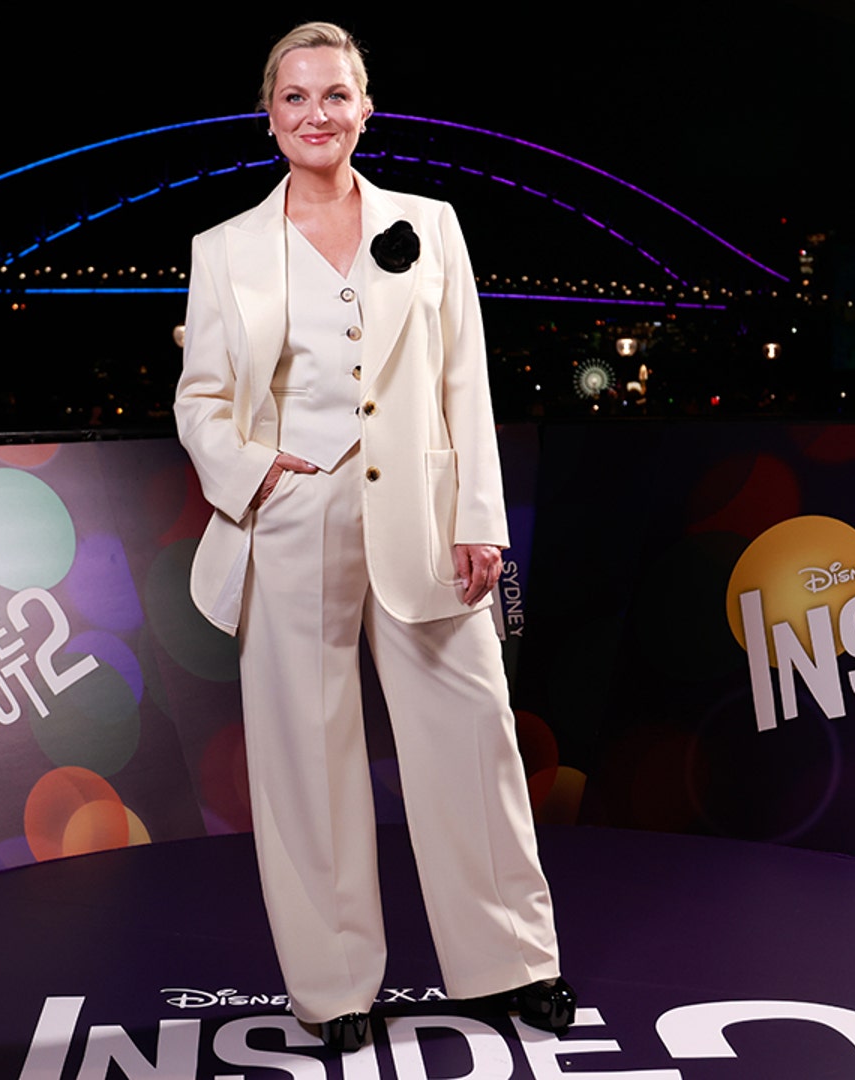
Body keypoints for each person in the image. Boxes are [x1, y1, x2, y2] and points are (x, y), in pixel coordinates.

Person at [173, 21, 571, 1052]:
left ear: (366, 109)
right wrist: (257, 472)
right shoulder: (222, 252)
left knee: (472, 741)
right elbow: (202, 397)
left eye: (336, 95)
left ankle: (510, 966)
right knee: (307, 763)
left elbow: (462, 379)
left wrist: (478, 515)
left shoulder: (430, 225)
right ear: (270, 115)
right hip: (288, 518)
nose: (317, 115)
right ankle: (336, 988)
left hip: (425, 520)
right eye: (297, 97)